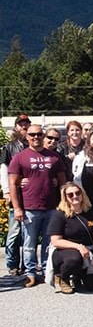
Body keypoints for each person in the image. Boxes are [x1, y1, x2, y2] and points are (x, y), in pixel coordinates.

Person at [9, 124, 67, 287]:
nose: (36, 137)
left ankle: (48, 271)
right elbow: (13, 183)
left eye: (39, 134)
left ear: (43, 136)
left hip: (51, 208)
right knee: (29, 243)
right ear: (26, 137)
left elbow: (62, 183)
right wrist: (18, 208)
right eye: (32, 134)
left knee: (50, 243)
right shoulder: (19, 157)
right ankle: (31, 273)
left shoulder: (54, 157)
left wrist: (63, 205)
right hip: (29, 208)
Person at [47, 182, 93, 294]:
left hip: (88, 252)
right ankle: (62, 277)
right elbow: (55, 241)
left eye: (77, 193)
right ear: (65, 198)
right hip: (64, 251)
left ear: (82, 194)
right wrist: (79, 247)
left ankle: (78, 276)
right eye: (70, 195)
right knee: (74, 259)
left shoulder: (91, 212)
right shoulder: (60, 215)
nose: (75, 196)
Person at [1, 114, 31, 276]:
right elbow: (3, 170)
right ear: (16, 127)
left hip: (31, 197)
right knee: (13, 233)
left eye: (26, 124)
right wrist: (6, 190)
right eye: (21, 125)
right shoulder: (10, 147)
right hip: (16, 196)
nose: (24, 127)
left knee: (28, 233)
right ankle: (12, 265)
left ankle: (27, 265)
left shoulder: (34, 146)